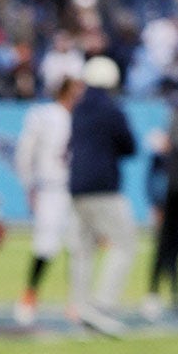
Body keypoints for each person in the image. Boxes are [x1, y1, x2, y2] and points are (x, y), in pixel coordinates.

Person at [67, 55, 136, 336]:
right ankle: (102, 306)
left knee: (84, 247)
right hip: (103, 185)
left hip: (77, 184)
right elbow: (129, 145)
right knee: (124, 243)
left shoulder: (78, 109)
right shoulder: (111, 109)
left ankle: (81, 305)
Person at [12, 78, 81, 326]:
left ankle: (77, 302)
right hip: (51, 188)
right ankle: (29, 297)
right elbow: (26, 151)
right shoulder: (45, 115)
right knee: (45, 246)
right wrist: (29, 184)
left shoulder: (83, 117)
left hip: (76, 190)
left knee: (78, 247)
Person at [143, 87, 178, 323]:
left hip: (176, 193)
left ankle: (156, 295)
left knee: (167, 246)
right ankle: (159, 295)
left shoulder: (176, 121)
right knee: (168, 246)